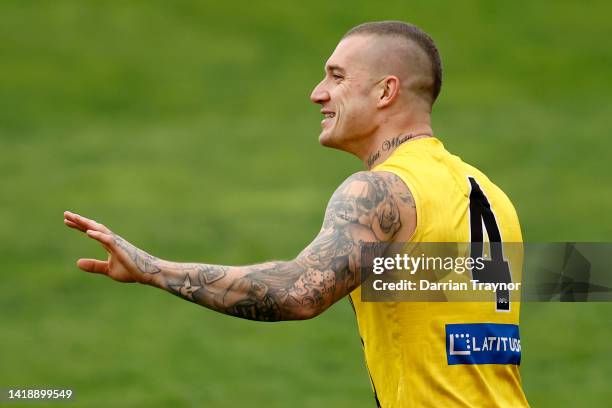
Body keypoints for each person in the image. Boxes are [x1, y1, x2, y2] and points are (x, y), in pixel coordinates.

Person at [64, 21, 529, 407]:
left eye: (337, 77)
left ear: (386, 91)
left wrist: (150, 269)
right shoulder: (488, 194)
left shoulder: (383, 190)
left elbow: (296, 292)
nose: (317, 93)